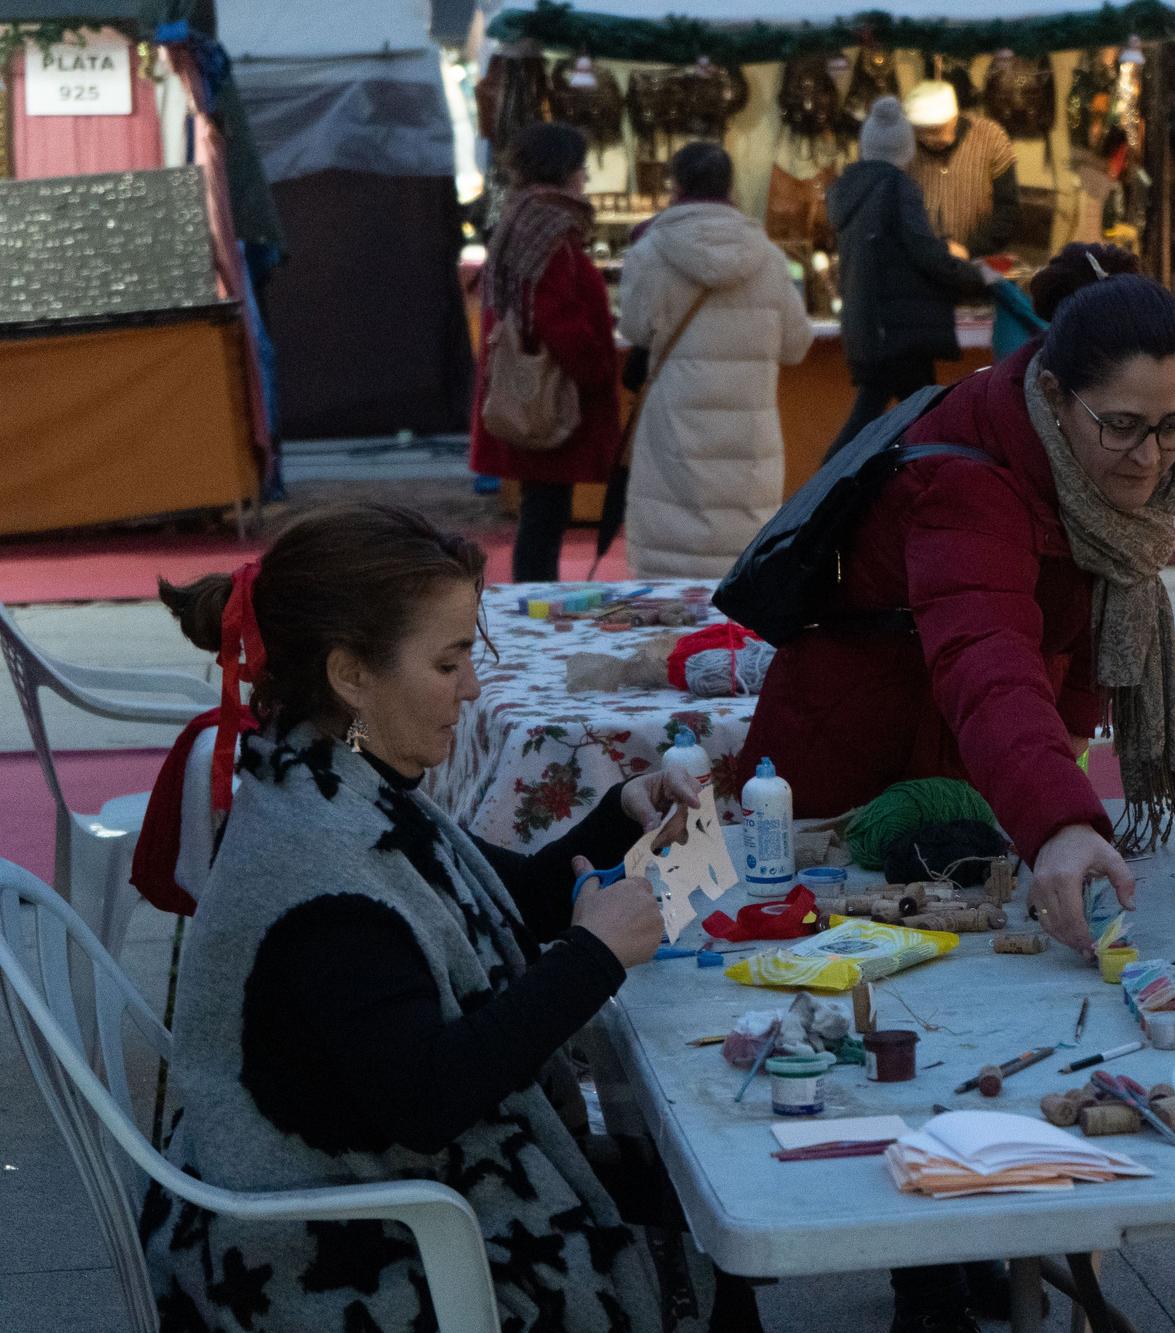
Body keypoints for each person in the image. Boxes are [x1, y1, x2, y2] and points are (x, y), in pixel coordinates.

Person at [141, 503, 764, 1333]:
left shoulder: (332, 772)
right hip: (329, 1254)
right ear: (351, 675)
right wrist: (591, 956)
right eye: (450, 660)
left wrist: (624, 807)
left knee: (692, 1191)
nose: (472, 686)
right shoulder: (323, 870)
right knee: (702, 1219)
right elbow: (431, 1095)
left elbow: (509, 896)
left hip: (367, 1182)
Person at [746, 242, 1175, 960]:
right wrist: (1057, 818)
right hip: (858, 769)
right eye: (1122, 425)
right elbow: (986, 658)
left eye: (1173, 424)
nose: (1150, 455)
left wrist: (1061, 760)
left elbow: (1081, 609)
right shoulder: (968, 485)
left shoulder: (1084, 465)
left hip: (970, 766)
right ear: (1054, 396)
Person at [617, 141, 813, 577]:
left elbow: (633, 329)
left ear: (675, 185)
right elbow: (796, 346)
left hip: (674, 426)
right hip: (749, 435)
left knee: (670, 565)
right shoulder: (769, 258)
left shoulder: (650, 251)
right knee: (741, 562)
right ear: (731, 186)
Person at [470, 122, 620, 583]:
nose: (585, 178)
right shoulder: (549, 225)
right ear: (564, 169)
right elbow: (553, 312)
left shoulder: (522, 217)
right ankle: (536, 605)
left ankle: (534, 598)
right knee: (545, 511)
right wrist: (594, 365)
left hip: (537, 379)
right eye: (581, 167)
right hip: (553, 387)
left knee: (543, 507)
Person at [826, 96, 998, 456]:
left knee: (899, 418)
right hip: (900, 331)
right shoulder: (896, 188)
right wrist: (975, 275)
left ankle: (835, 485)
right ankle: (829, 488)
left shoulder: (851, 195)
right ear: (905, 149)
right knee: (925, 423)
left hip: (873, 327)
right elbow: (925, 253)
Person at [903, 79, 1020, 260]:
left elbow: (1008, 210)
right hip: (922, 264)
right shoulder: (904, 147)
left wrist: (969, 250)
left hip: (980, 263)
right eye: (920, 131)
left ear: (954, 119)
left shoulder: (991, 138)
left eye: (935, 131)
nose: (927, 139)